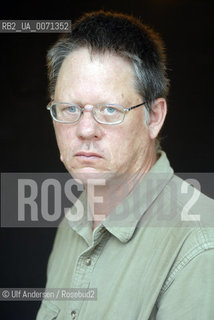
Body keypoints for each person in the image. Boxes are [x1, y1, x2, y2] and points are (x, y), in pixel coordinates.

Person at [36, 10, 214, 319]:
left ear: (154, 117)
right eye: (69, 108)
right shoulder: (73, 222)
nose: (85, 129)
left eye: (109, 109)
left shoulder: (201, 245)